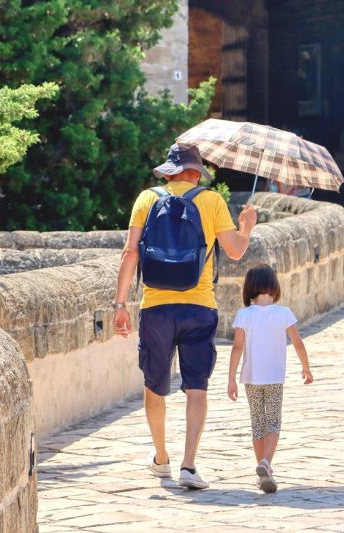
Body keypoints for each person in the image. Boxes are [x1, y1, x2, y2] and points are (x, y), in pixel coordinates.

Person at [113, 144, 257, 490]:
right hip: (199, 304)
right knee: (196, 387)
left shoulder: (146, 199)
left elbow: (130, 252)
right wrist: (246, 226)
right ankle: (188, 466)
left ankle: (161, 457)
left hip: (156, 306)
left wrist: (119, 305)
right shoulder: (211, 201)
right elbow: (236, 251)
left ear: (169, 171)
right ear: (196, 171)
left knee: (154, 384)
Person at [227, 264, 314, 493]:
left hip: (251, 378)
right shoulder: (284, 313)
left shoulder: (243, 315)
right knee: (273, 422)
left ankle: (262, 468)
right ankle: (266, 463)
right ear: (274, 286)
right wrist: (306, 368)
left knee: (257, 424)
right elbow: (298, 342)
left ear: (249, 288)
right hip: (275, 377)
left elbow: (237, 348)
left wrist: (231, 378)